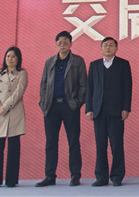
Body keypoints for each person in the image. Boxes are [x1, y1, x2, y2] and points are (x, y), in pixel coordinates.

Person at [36, 31, 87, 187]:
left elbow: (83, 85)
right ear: (56, 44)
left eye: (65, 42)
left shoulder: (78, 61)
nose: (62, 45)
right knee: (51, 143)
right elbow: (43, 84)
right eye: (60, 42)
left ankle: (75, 175)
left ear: (71, 44)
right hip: (51, 107)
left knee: (73, 142)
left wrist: (76, 103)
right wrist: (44, 103)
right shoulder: (49, 62)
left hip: (69, 106)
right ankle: (50, 176)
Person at [85, 37, 132, 187]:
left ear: (116, 48)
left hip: (116, 111)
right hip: (98, 111)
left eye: (111, 45)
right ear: (101, 48)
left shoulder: (123, 64)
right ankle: (101, 177)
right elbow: (90, 88)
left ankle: (117, 176)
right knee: (100, 146)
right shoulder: (94, 65)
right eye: (105, 45)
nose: (108, 48)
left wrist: (126, 108)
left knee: (116, 145)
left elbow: (127, 88)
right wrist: (89, 108)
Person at [0, 47, 28, 188]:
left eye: (13, 56)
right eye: (8, 56)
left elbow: (19, 92)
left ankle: (11, 179)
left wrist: (6, 106)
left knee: (13, 148)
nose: (10, 58)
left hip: (14, 112)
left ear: (18, 59)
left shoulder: (22, 73)